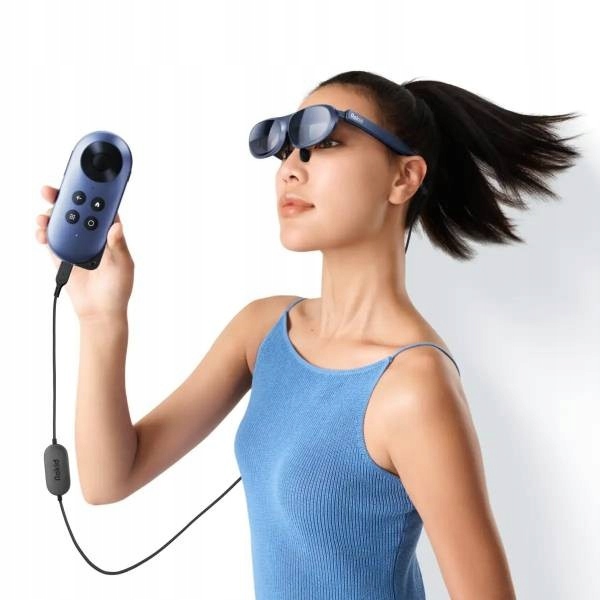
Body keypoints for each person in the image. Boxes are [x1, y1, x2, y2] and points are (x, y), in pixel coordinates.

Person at [35, 70, 582, 599]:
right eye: (287, 151)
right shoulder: (262, 331)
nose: (291, 170)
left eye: (325, 142)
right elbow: (109, 479)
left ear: (403, 178)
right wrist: (102, 317)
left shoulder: (414, 387)